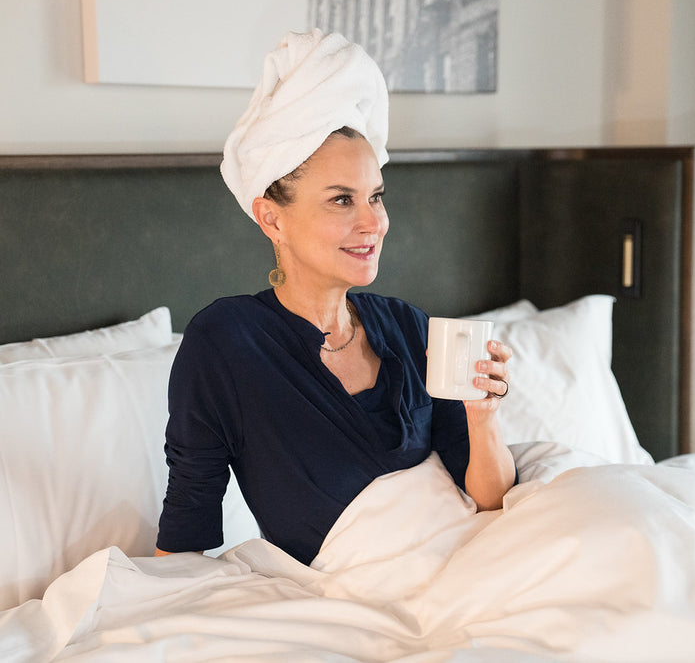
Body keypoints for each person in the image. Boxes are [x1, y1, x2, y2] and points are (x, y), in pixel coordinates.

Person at [155, 29, 516, 565]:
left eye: (375, 196)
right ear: (271, 217)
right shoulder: (227, 343)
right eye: (342, 200)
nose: (373, 223)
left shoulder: (407, 327)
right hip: (354, 597)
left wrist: (482, 416)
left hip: (464, 563)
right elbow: (189, 521)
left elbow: (490, 500)